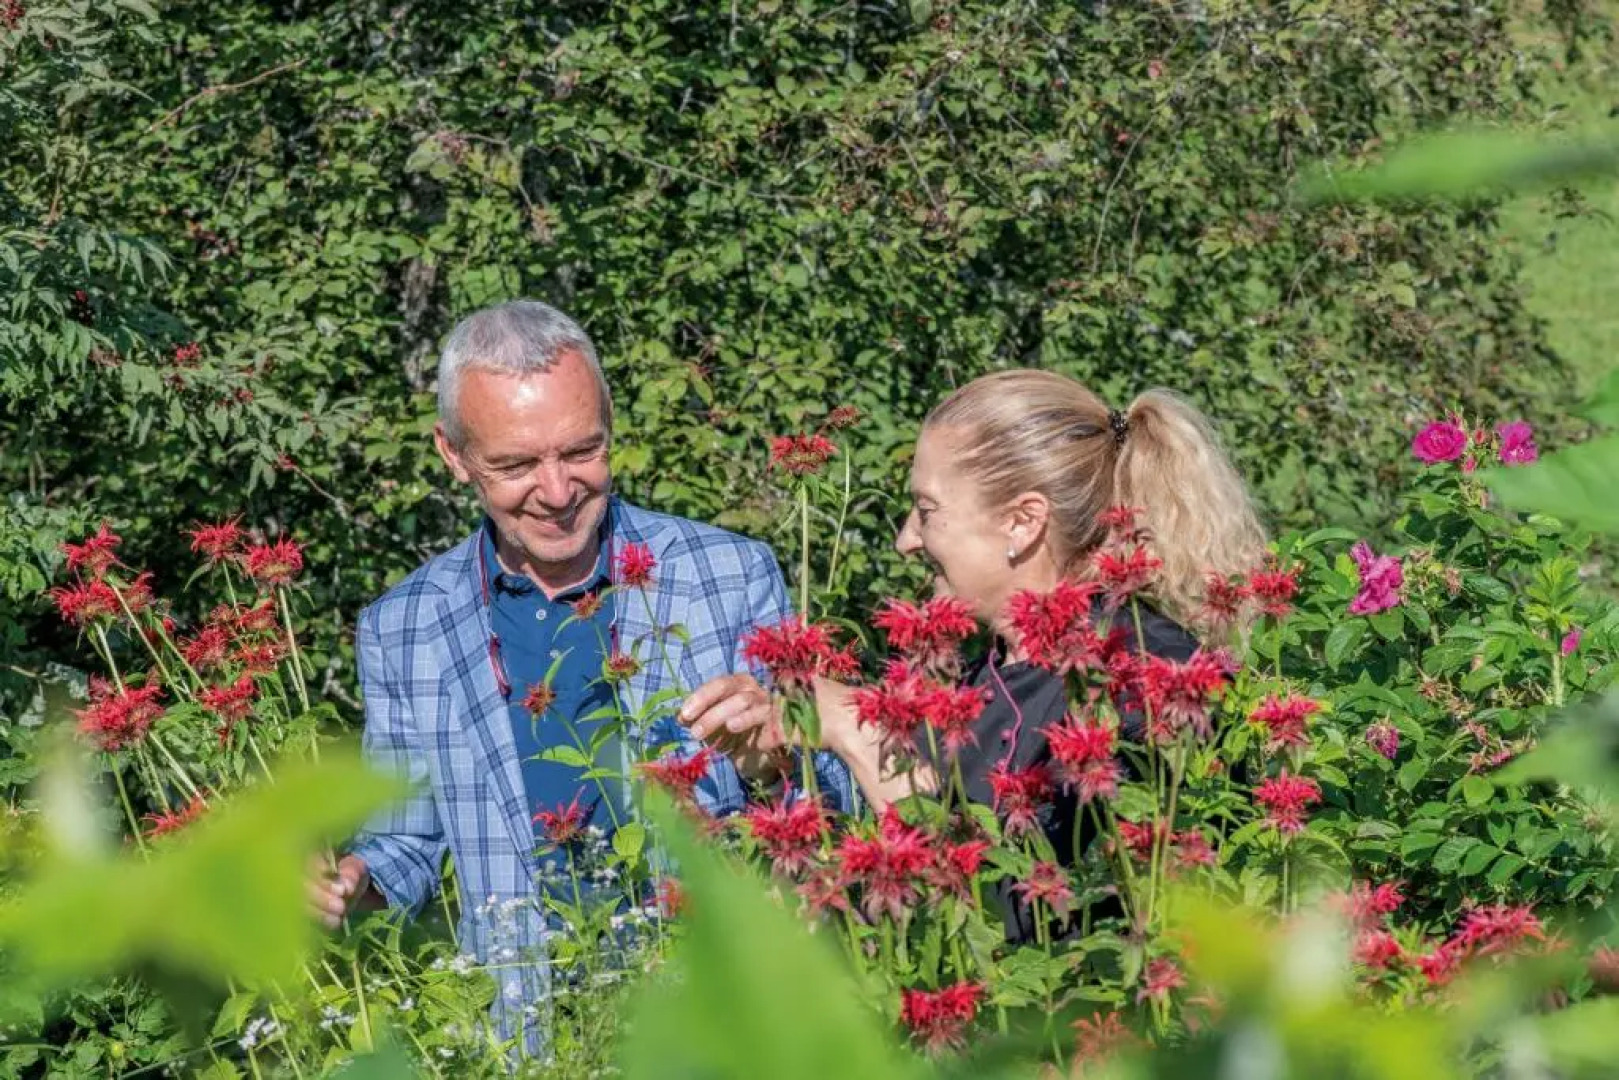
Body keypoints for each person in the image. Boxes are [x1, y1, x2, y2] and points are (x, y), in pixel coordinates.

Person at [306, 300, 853, 1051]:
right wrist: (348, 880)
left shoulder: (729, 576)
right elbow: (407, 841)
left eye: (581, 452)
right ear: (453, 454)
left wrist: (773, 762)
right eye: (516, 464)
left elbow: (836, 802)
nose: (558, 491)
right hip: (527, 1030)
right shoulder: (405, 628)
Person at [685, 368, 1266, 941]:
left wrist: (860, 734)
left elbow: (1054, 929)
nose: (906, 539)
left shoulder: (1144, 677)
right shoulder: (978, 678)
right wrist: (778, 775)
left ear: (1022, 521)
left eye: (928, 510)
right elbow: (915, 933)